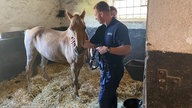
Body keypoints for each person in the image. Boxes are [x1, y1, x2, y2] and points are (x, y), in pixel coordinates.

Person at [83, 1, 131, 108]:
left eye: (95, 15)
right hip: (103, 68)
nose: (95, 18)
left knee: (103, 100)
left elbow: (127, 49)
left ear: (101, 13)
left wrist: (108, 49)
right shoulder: (101, 29)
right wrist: (77, 42)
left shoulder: (119, 27)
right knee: (111, 95)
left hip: (114, 69)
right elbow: (91, 43)